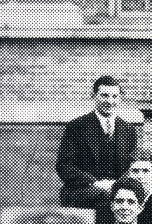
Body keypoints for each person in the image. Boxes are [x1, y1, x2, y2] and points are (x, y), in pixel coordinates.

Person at [56, 75, 138, 208]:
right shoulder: (77, 127)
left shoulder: (128, 130)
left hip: (118, 195)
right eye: (104, 95)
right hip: (83, 192)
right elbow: (64, 166)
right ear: (94, 96)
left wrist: (117, 185)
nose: (110, 101)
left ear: (120, 98)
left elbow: (132, 168)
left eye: (114, 96)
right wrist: (94, 183)